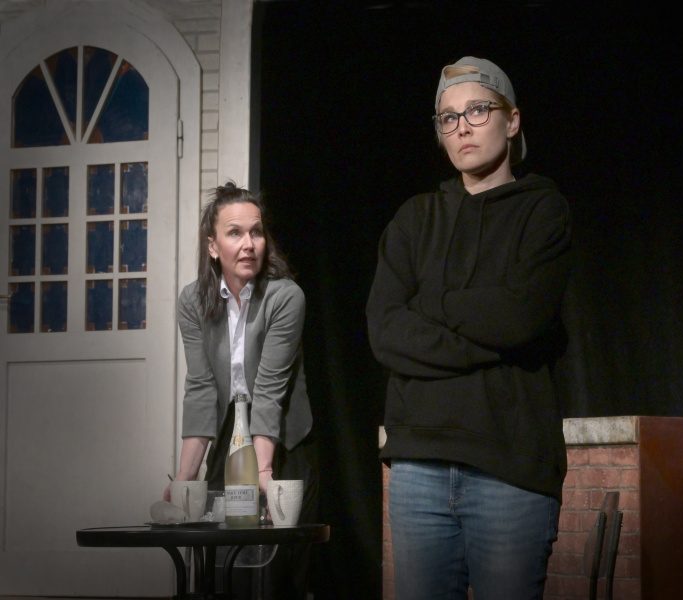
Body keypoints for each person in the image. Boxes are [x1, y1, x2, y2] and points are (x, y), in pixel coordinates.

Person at [366, 57, 572, 600]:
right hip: (418, 468)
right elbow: (385, 331)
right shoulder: (414, 219)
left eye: (478, 110)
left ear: (512, 120)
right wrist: (493, 342)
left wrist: (429, 304)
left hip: (510, 470)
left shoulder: (543, 210)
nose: (462, 127)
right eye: (448, 117)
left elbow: (522, 316)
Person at [166, 182, 317, 599]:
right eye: (235, 233)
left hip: (283, 437)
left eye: (256, 232)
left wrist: (263, 473)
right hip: (230, 431)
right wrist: (185, 476)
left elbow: (269, 390)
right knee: (223, 566)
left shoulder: (286, 297)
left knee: (279, 574)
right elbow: (201, 387)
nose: (249, 244)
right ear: (213, 246)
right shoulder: (192, 302)